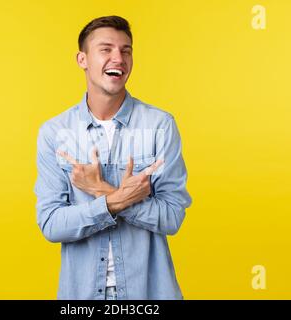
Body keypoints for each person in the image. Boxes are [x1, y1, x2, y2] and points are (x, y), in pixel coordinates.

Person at [35, 15, 192, 300]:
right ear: (82, 59)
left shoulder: (159, 126)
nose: (118, 58)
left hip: (150, 294)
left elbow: (171, 218)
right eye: (106, 49)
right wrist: (118, 199)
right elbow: (51, 224)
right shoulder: (55, 133)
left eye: (126, 50)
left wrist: (100, 190)